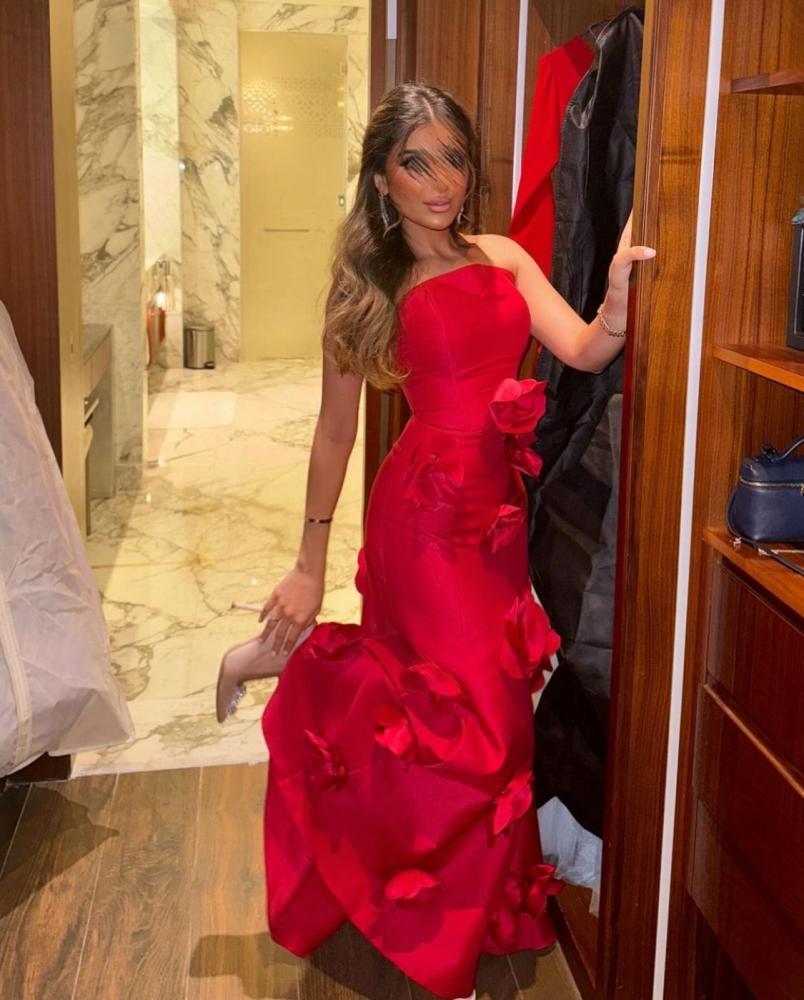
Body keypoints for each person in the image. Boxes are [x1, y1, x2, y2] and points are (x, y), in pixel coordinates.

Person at [219, 82, 655, 1000]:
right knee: (473, 723)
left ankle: (465, 901)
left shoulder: (503, 256)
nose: (440, 180)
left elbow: (583, 349)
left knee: (481, 715)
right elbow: (334, 433)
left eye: (453, 157)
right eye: (415, 163)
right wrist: (308, 566)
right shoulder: (370, 283)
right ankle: (430, 909)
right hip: (419, 524)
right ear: (382, 179)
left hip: (494, 521)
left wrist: (617, 298)